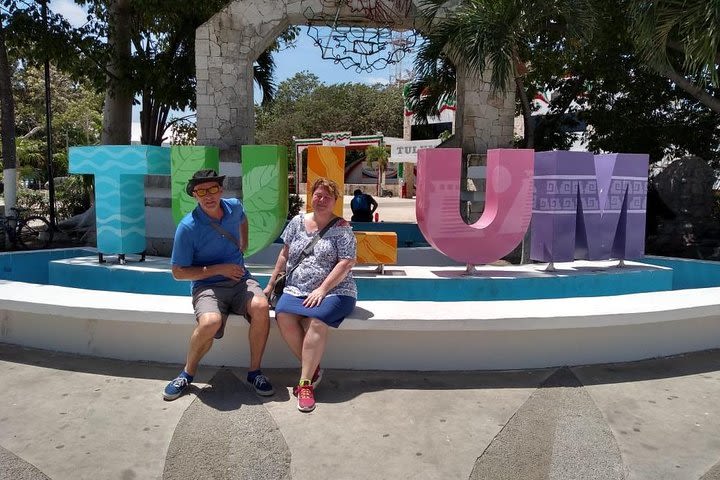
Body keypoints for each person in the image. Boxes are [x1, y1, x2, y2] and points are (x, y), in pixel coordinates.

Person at [163, 169, 274, 401]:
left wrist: (243, 243)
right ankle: (187, 373)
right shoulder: (188, 227)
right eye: (201, 191)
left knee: (262, 307)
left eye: (212, 189)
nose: (208, 195)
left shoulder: (234, 206)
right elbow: (177, 273)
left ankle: (255, 373)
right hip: (207, 287)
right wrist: (219, 269)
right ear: (194, 194)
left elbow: (243, 219)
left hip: (241, 281)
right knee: (210, 322)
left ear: (221, 190)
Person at [264, 178, 357, 412]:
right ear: (311, 196)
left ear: (336, 200)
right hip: (297, 288)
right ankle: (314, 369)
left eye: (328, 196)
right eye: (318, 195)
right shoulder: (296, 222)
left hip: (335, 290)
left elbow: (346, 262)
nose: (322, 200)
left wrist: (322, 289)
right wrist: (272, 281)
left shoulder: (343, 228)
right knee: (283, 314)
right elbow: (284, 254)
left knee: (317, 321)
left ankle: (305, 383)